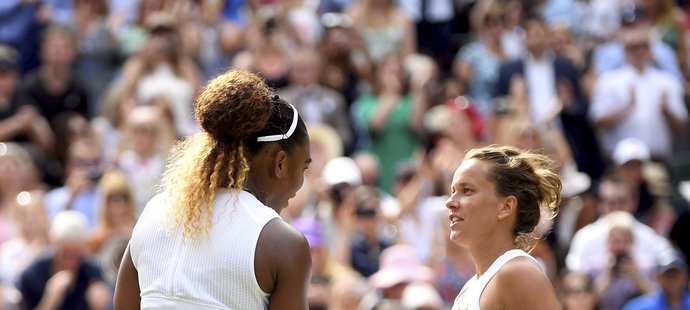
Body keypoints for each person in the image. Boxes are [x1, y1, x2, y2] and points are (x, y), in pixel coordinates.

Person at [113, 69, 313, 309]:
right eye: (303, 167)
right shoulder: (284, 244)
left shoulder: (154, 210)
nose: (299, 184)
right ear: (280, 163)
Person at [446, 145, 561, 309]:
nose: (450, 202)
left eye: (467, 190)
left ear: (506, 206)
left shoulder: (518, 272)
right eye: (453, 191)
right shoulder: (471, 287)